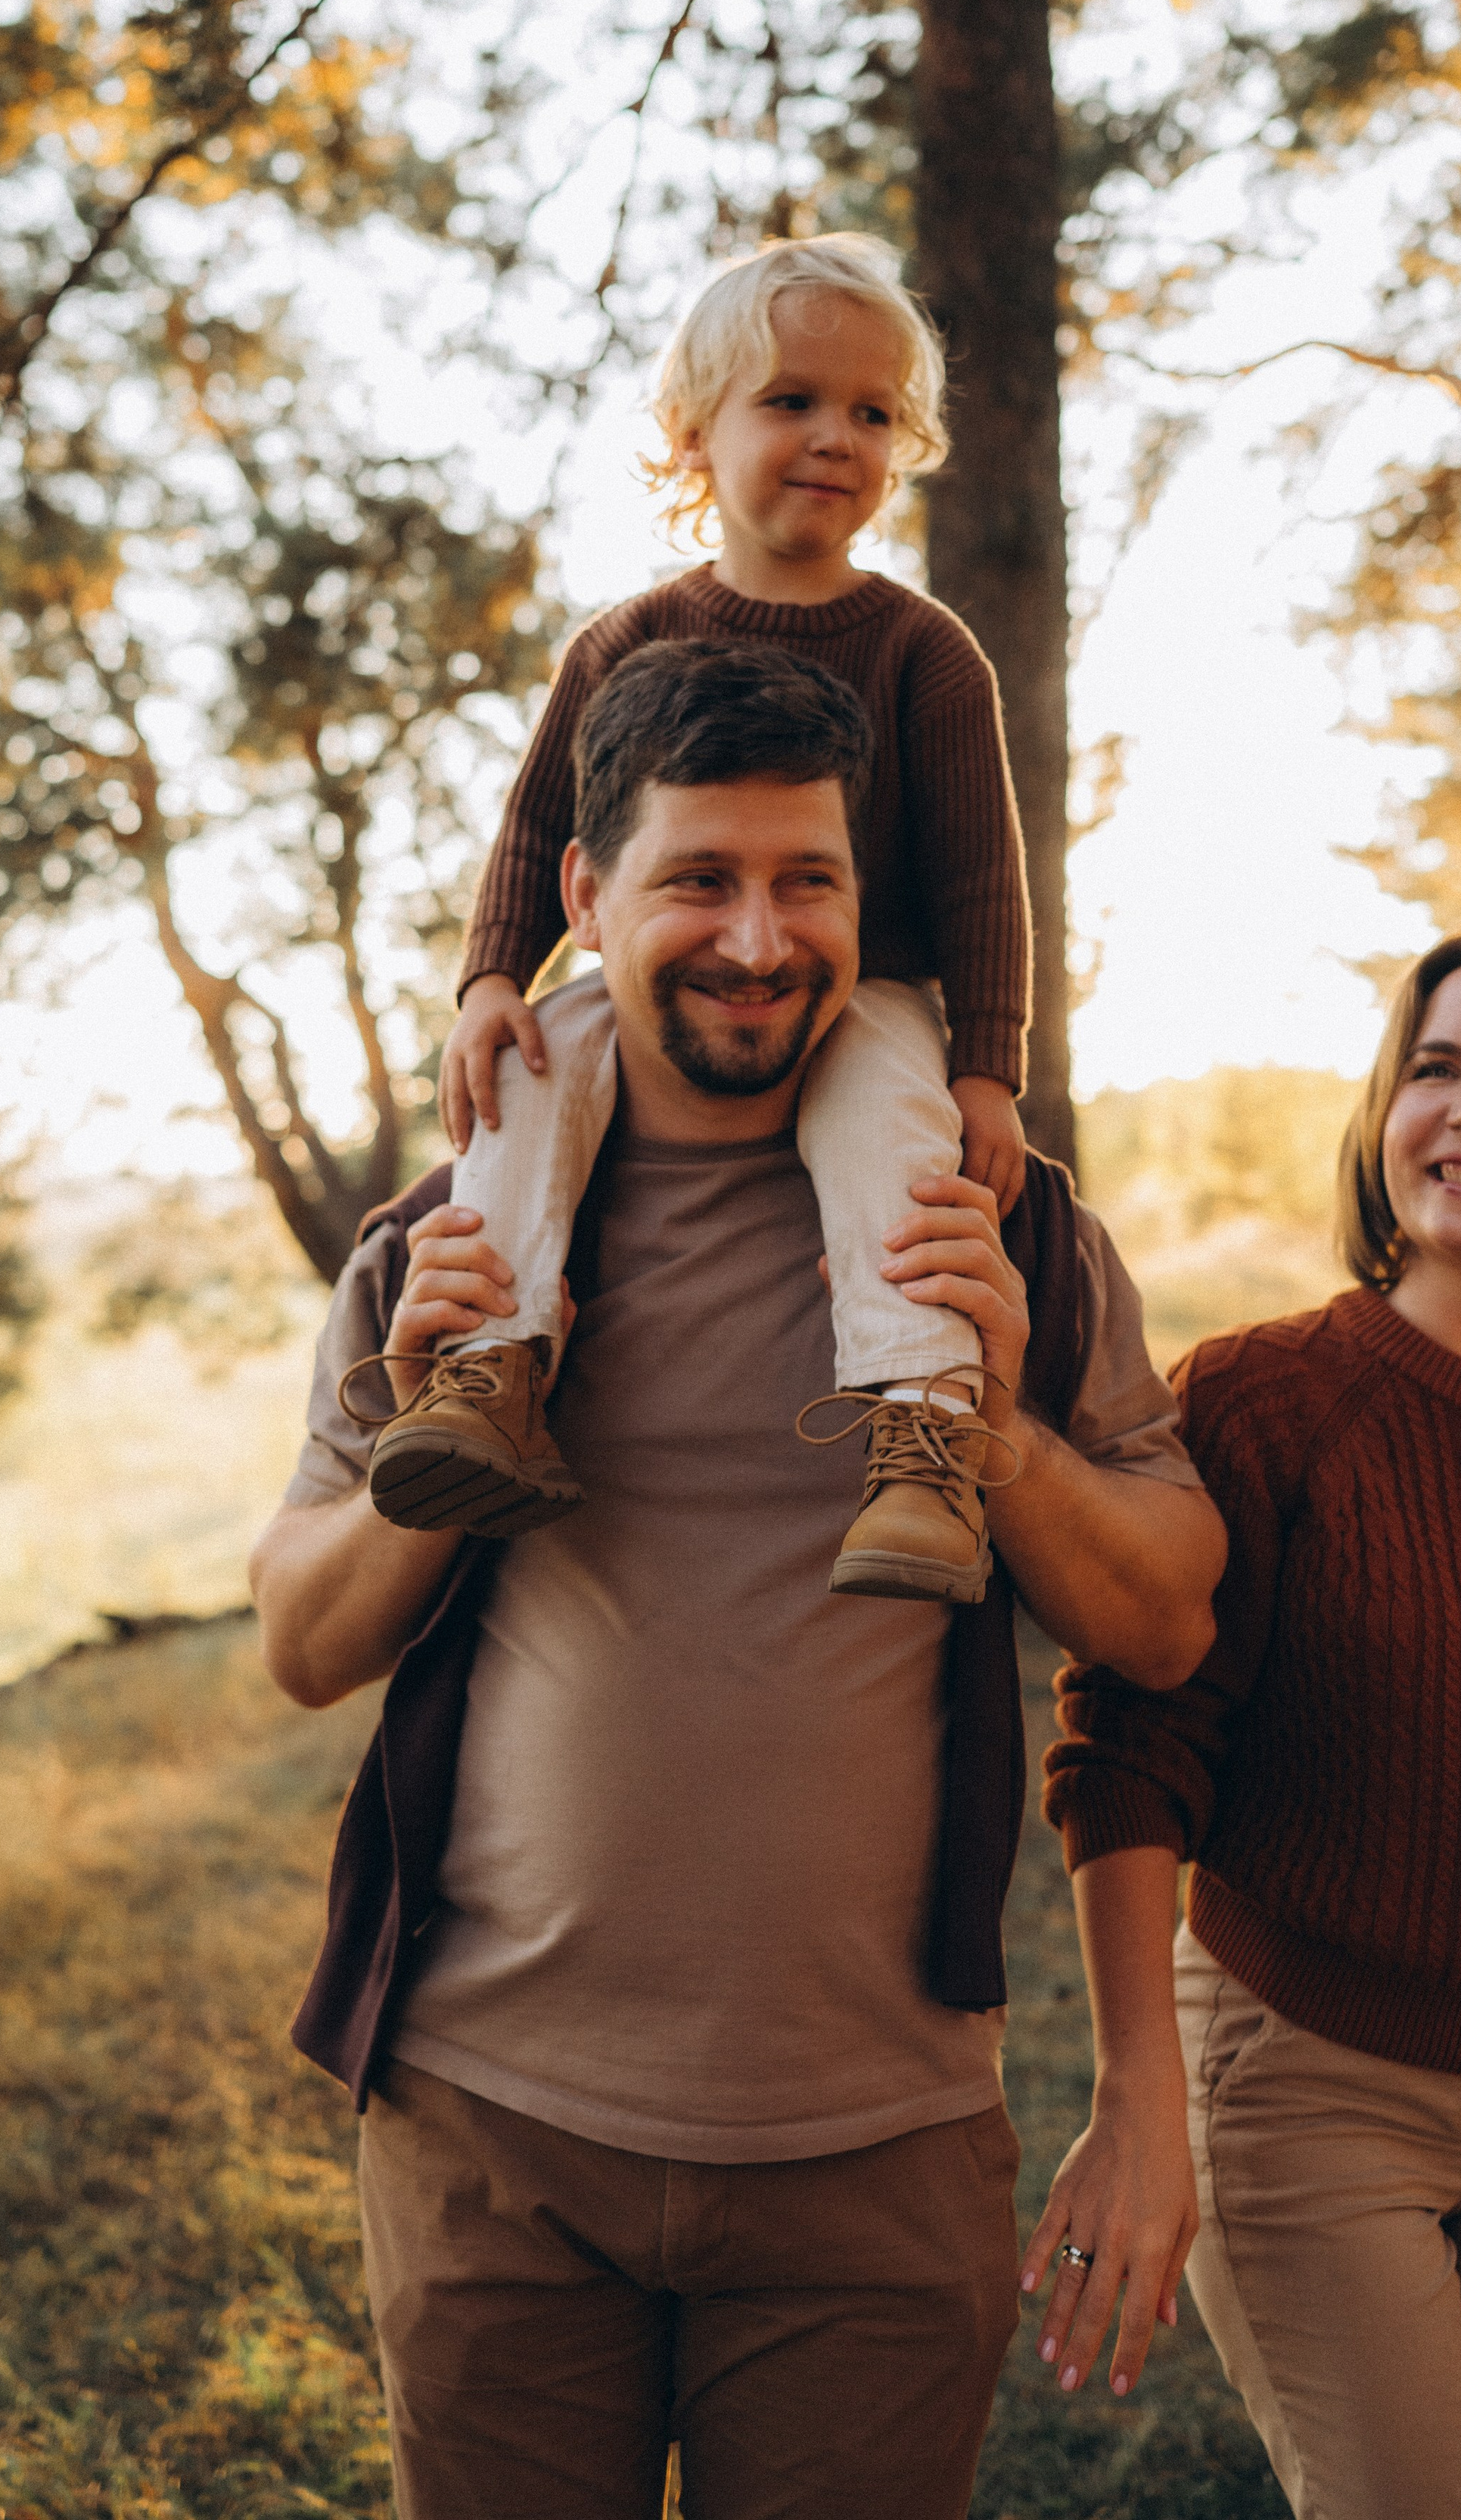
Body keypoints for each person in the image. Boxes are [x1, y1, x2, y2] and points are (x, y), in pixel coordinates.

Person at [250, 642, 1223, 2520]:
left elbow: (1164, 1623)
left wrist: (1002, 1428)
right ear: (583, 892)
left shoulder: (992, 1224)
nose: (760, 941)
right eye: (700, 878)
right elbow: (300, 1642)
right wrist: (426, 1459)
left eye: (808, 883)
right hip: (492, 2143)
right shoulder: (448, 1241)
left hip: (875, 2157)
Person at [365, 232, 1033, 1606]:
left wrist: (988, 1068)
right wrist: (491, 981)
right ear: (692, 435)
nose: (836, 437)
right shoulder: (625, 643)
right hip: (660, 993)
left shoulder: (927, 654)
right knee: (530, 1066)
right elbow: (539, 824)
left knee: (895, 1141)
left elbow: (981, 878)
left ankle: (922, 1437)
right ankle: (491, 1375)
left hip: (863, 989)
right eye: (792, 400)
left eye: (873, 414)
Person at [1037, 925, 1461, 2520]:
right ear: (1383, 1108)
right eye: (1436, 1066)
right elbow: (1129, 1750)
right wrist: (1137, 2095)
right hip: (1306, 2071)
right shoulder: (1264, 1402)